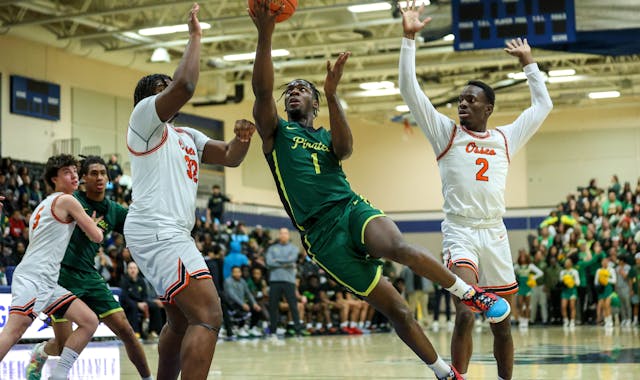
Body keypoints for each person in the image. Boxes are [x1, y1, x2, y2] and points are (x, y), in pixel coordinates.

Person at [250, 2, 509, 379]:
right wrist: (265, 32)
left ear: (315, 103)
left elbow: (346, 150)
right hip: (321, 237)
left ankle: (471, 294)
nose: (294, 92)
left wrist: (333, 93)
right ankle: (444, 373)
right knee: (398, 310)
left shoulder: (324, 136)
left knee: (399, 248)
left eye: (303, 89)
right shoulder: (276, 133)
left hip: (349, 208)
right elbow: (261, 90)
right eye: (289, 89)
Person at [397, 3, 553, 379]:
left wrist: (529, 63)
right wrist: (408, 38)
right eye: (460, 100)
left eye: (471, 100)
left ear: (488, 107)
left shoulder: (504, 137)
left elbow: (543, 104)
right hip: (461, 230)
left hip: (495, 232)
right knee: (465, 310)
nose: (463, 103)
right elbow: (409, 90)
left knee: (502, 322)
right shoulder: (446, 133)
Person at [125, 3, 256, 379]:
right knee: (209, 314)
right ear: (146, 100)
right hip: (157, 229)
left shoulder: (186, 135)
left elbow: (230, 157)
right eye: (159, 89)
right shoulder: (143, 121)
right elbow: (185, 85)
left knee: (181, 322)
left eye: (167, 87)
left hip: (169, 232)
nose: (169, 91)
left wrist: (242, 139)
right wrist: (196, 36)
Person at [26, 156, 153, 380]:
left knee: (126, 330)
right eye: (93, 173)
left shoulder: (114, 210)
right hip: (61, 275)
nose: (100, 177)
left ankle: (147, 378)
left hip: (89, 276)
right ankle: (42, 350)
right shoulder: (69, 199)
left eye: (103, 173)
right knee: (64, 345)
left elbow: (139, 229)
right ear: (83, 177)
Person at [0, 154, 103, 380]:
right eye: (67, 172)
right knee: (14, 331)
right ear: (54, 179)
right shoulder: (67, 200)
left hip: (46, 280)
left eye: (75, 171)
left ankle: (59, 375)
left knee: (89, 321)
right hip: (35, 277)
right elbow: (96, 237)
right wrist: (95, 226)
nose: (74, 175)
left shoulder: (42, 206)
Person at [266, 227, 302, 336]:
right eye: (281, 233)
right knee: (273, 307)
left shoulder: (294, 248)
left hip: (289, 281)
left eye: (285, 233)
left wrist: (276, 261)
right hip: (274, 280)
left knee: (293, 306)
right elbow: (269, 263)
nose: (283, 235)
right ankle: (273, 331)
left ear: (289, 235)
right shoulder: (272, 248)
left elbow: (292, 260)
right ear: (279, 235)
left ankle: (298, 331)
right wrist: (286, 264)